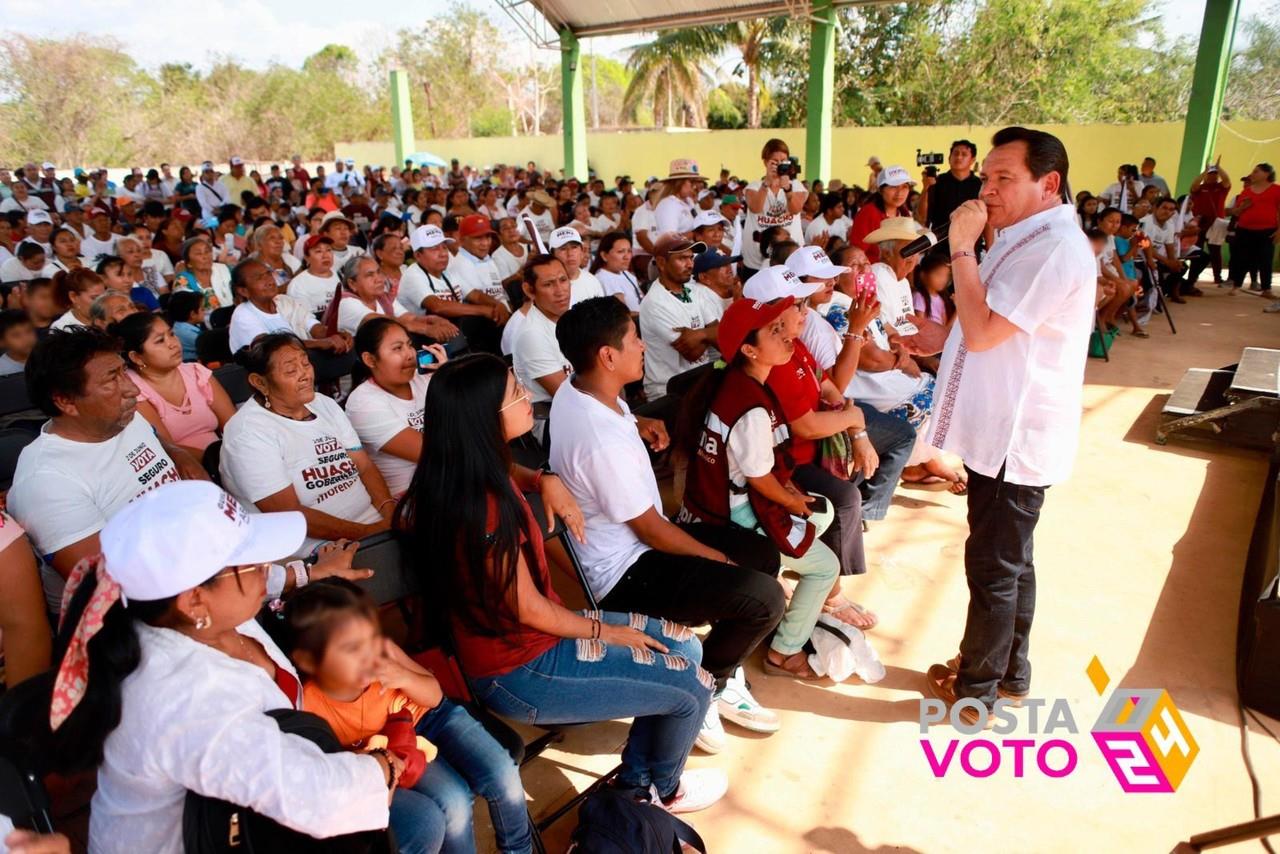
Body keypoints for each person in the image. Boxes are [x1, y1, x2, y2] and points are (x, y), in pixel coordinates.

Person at [397, 352, 728, 813]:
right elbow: (528, 609)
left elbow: (529, 603)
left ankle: (636, 780)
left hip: (531, 638)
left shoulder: (463, 469)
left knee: (687, 648)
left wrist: (543, 477)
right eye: (516, 393)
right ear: (483, 419)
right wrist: (607, 632)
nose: (527, 395)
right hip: (521, 669)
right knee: (692, 686)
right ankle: (661, 790)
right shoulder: (479, 507)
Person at [4, 481, 399, 853]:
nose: (267, 566)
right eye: (251, 563)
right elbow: (321, 798)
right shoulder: (186, 695)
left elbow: (261, 582)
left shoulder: (183, 616)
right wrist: (382, 769)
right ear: (194, 601)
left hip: (236, 813)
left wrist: (306, 572)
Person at [550, 296, 785, 750]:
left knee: (761, 553)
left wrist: (636, 420)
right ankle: (704, 688)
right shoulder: (599, 441)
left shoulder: (578, 387)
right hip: (626, 571)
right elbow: (652, 531)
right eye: (634, 338)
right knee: (764, 598)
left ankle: (723, 667)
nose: (642, 346)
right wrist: (718, 561)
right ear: (608, 356)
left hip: (641, 541)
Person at [925, 127, 1096, 727]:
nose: (987, 190)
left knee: (994, 569)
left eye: (1003, 179)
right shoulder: (1027, 236)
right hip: (1002, 432)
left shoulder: (1053, 248)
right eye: (985, 178)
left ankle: (977, 692)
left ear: (1048, 184)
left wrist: (963, 247)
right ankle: (1007, 670)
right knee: (1011, 561)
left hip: (1015, 438)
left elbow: (983, 330)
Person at [281, 580, 532, 854]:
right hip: (395, 749)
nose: (368, 654)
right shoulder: (311, 706)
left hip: (433, 716)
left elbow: (435, 696)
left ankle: (520, 850)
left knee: (502, 771)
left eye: (371, 638)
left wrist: (404, 676)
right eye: (351, 648)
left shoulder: (385, 654)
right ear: (307, 660)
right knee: (455, 803)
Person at [679, 295, 848, 680]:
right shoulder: (749, 403)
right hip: (730, 514)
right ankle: (784, 653)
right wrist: (793, 501)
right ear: (749, 350)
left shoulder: (734, 381)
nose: (788, 335)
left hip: (712, 502)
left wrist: (795, 498)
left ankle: (777, 585)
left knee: (825, 509)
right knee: (825, 567)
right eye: (775, 331)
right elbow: (758, 479)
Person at [6, 329, 208, 590]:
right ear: (66, 402)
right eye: (112, 380)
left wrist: (180, 456)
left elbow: (159, 442)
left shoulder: (123, 418)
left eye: (124, 371)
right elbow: (112, 583)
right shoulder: (46, 483)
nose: (133, 389)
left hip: (192, 554)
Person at [219, 333, 394, 557]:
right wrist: (370, 533)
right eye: (291, 371)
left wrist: (389, 513)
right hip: (313, 546)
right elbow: (289, 513)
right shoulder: (247, 435)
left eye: (306, 363)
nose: (305, 374)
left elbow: (364, 466)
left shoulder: (324, 404)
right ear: (260, 382)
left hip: (373, 522)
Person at [344, 318, 446, 498]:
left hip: (453, 477)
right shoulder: (363, 403)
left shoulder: (424, 378)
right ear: (370, 359)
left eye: (409, 345)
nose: (409, 354)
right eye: (397, 348)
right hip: (415, 494)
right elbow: (436, 452)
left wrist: (449, 378)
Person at [114, 312, 234, 462]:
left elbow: (233, 427)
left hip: (226, 458)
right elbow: (167, 449)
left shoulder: (196, 372)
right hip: (184, 469)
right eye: (160, 341)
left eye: (171, 334)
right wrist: (218, 459)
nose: (173, 343)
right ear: (137, 357)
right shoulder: (133, 390)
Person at [638, 235, 717, 401]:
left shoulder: (694, 290)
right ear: (661, 263)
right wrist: (710, 332)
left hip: (698, 380)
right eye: (682, 258)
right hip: (668, 392)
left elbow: (720, 332)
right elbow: (693, 353)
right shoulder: (655, 302)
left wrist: (700, 335)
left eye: (691, 258)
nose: (690, 264)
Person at [228, 258, 354, 359]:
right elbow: (271, 349)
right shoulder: (243, 315)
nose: (270, 281)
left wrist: (336, 334)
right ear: (243, 291)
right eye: (259, 278)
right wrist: (322, 343)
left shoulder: (284, 301)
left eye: (268, 274)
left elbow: (313, 327)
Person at [394, 224, 490, 350]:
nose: (443, 254)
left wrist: (496, 306)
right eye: (434, 249)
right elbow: (437, 306)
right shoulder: (413, 275)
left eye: (444, 248)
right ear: (418, 255)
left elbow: (475, 295)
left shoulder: (448, 271)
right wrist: (483, 310)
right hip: (426, 338)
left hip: (453, 331)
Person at [512, 254, 573, 417]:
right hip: (553, 419)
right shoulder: (531, 335)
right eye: (548, 284)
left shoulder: (575, 318)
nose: (560, 291)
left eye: (563, 280)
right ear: (529, 290)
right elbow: (570, 398)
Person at [334, 256, 443, 339]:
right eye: (370, 275)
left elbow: (409, 318)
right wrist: (425, 329)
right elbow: (381, 322)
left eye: (378, 272)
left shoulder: (383, 298)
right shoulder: (345, 303)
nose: (379, 279)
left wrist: (432, 320)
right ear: (352, 284)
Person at [742, 140, 808, 275]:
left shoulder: (796, 186)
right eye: (774, 161)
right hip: (756, 260)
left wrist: (788, 189)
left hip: (791, 257)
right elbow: (755, 207)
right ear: (765, 162)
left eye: (783, 161)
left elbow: (796, 209)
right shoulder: (754, 187)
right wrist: (767, 183)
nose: (779, 165)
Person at [1226, 163, 1279, 293]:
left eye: (1256, 171)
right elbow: (1236, 213)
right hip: (1244, 229)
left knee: (1266, 259)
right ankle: (1236, 286)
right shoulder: (1247, 191)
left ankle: (1266, 289)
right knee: (1242, 258)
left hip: (1267, 229)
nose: (1252, 174)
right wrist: (1243, 207)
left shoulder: (1276, 190)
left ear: (1266, 174)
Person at [451, 214, 514, 318]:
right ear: (462, 240)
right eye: (478, 238)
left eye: (488, 237)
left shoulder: (487, 259)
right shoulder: (459, 264)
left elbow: (499, 294)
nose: (485, 243)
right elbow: (477, 298)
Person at [916, 139, 983, 237]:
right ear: (949, 158)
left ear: (972, 160)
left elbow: (987, 221)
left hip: (972, 243)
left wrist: (991, 248)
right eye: (955, 153)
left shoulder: (980, 185)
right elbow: (922, 217)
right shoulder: (936, 182)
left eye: (964, 154)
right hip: (940, 244)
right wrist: (926, 188)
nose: (959, 157)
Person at [849, 166, 914, 263]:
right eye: (893, 187)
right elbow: (857, 253)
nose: (899, 193)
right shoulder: (868, 213)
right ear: (880, 190)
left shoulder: (904, 214)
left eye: (904, 187)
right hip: (873, 272)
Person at [1187, 161, 1231, 286]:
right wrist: (1205, 171)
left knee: (1215, 251)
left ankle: (1218, 277)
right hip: (1200, 224)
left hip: (1216, 224)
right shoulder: (1199, 189)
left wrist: (1219, 168)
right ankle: (1192, 277)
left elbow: (1227, 180)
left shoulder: (1221, 188)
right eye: (1210, 174)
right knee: (1197, 250)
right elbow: (1194, 185)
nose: (1213, 176)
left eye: (1215, 174)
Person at [549, 226, 606, 306]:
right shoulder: (546, 286)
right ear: (552, 254)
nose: (570, 254)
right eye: (563, 249)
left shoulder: (592, 281)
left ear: (581, 251)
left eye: (574, 247)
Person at [286, 234, 341, 316]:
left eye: (329, 250)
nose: (325, 255)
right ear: (307, 258)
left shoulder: (338, 274)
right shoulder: (298, 285)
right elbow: (303, 321)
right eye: (318, 251)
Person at [174, 236, 233, 311]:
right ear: (189, 263)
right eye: (198, 253)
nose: (205, 256)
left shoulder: (223, 268)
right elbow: (188, 313)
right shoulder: (182, 281)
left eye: (207, 251)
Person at [652, 159, 705, 241]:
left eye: (696, 182)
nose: (695, 186)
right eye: (691, 182)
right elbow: (669, 240)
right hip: (677, 253)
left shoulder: (688, 201)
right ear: (679, 182)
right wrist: (695, 234)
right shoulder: (668, 205)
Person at [593, 231, 643, 314]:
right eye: (621, 252)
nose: (627, 257)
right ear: (604, 256)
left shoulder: (625, 273)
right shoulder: (604, 278)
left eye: (629, 251)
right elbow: (622, 315)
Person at [252, 221, 301, 289]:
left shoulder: (290, 260)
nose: (278, 242)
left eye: (280, 238)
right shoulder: (253, 267)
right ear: (259, 245)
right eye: (272, 238)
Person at [164, 290, 205, 361]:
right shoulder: (188, 334)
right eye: (202, 309)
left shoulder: (179, 326)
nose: (204, 311)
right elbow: (210, 346)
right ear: (192, 314)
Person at [0, 309, 36, 376]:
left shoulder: (46, 359)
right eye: (16, 335)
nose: (26, 339)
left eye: (29, 331)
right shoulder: (2, 371)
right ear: (2, 341)